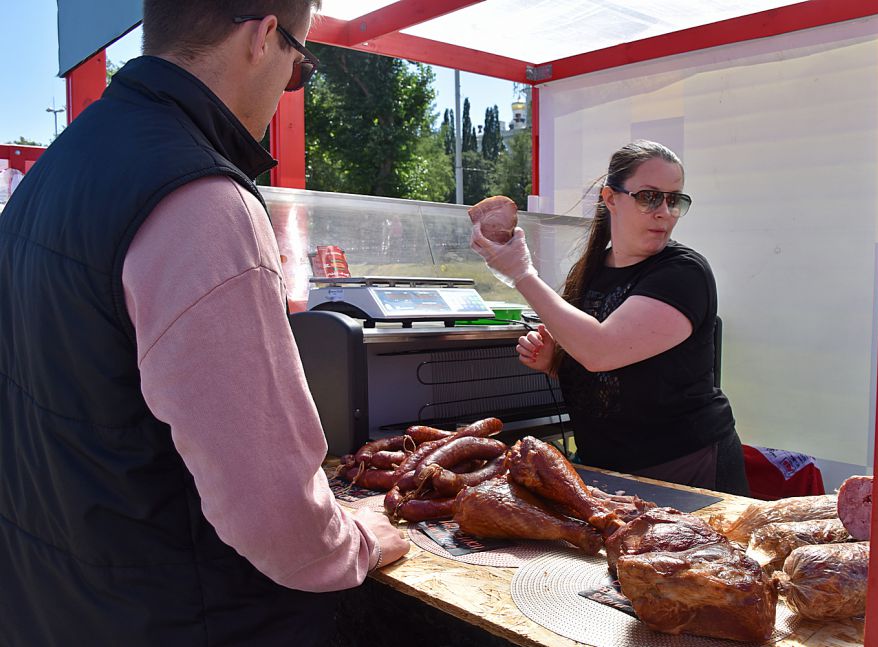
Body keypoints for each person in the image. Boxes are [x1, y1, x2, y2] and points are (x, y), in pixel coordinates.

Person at [0, 2, 409, 645]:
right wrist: (357, 540)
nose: (289, 86)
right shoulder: (203, 200)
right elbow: (276, 516)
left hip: (58, 601)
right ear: (264, 36)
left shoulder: (54, 171)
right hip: (186, 616)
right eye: (299, 68)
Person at [471, 140, 749, 496]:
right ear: (611, 198)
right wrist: (556, 361)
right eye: (649, 197)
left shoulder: (684, 273)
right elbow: (606, 374)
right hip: (609, 470)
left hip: (684, 467)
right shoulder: (590, 270)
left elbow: (601, 351)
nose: (664, 212)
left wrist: (522, 274)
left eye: (674, 200)